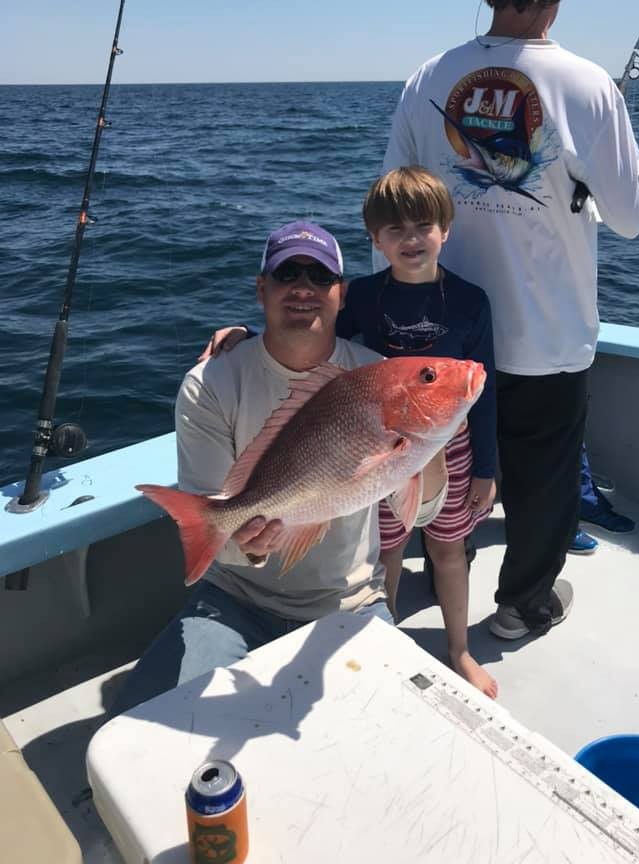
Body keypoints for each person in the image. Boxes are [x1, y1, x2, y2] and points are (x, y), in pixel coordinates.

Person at [378, 0, 639, 638]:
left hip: (442, 337)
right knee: (544, 481)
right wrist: (630, 180)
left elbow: (389, 214)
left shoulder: (427, 79)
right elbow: (631, 218)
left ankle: (446, 572)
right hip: (546, 343)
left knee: (452, 468)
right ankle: (521, 603)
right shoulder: (592, 87)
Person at [112, 222, 449, 715]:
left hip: (349, 603)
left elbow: (423, 514)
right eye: (288, 272)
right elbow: (218, 532)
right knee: (150, 732)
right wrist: (243, 545)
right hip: (234, 601)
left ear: (341, 293)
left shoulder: (376, 376)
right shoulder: (210, 384)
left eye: (320, 277)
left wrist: (431, 439)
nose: (303, 288)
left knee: (385, 735)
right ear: (261, 288)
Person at [335, 166, 498, 697]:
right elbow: (309, 343)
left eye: (423, 225)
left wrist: (486, 468)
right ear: (375, 240)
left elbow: (484, 392)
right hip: (387, 455)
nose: (410, 239)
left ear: (445, 230)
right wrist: (245, 333)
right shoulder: (359, 297)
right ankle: (389, 640)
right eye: (395, 229)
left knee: (449, 551)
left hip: (451, 455)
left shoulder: (472, 301)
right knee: (387, 552)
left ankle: (460, 649)